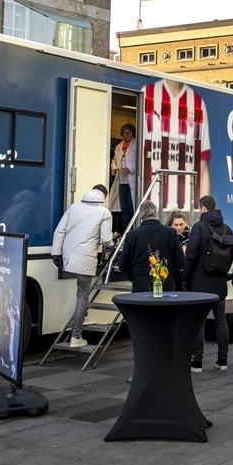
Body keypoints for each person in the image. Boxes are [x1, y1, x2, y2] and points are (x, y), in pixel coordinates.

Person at [51, 185, 114, 348]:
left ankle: (83, 315)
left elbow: (60, 231)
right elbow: (106, 239)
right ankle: (76, 336)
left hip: (68, 257)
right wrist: (112, 245)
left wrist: (55, 253)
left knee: (80, 292)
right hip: (85, 259)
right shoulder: (104, 212)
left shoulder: (74, 207)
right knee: (83, 295)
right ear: (104, 196)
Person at [183, 195, 233, 372]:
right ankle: (222, 361)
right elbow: (231, 256)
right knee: (221, 320)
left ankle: (197, 362)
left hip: (199, 282)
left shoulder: (199, 227)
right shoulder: (227, 228)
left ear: (203, 209)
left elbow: (191, 255)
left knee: (198, 322)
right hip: (219, 282)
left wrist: (186, 278)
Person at [140, 78, 210, 210]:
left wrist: (203, 210)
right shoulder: (147, 92)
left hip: (187, 204)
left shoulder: (197, 101)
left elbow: (203, 167)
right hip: (152, 200)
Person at [118, 200, 184, 293]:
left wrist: (136, 277)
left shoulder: (131, 235)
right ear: (156, 212)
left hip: (140, 285)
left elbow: (123, 264)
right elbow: (180, 261)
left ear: (141, 215)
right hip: (166, 285)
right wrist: (170, 275)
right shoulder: (170, 232)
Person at [109, 123, 137, 228]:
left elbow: (139, 160)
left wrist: (130, 168)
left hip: (131, 180)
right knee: (124, 206)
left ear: (133, 133)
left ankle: (133, 227)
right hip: (121, 181)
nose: (127, 135)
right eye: (125, 133)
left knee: (131, 205)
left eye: (129, 133)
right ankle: (126, 229)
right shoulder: (119, 146)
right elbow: (114, 160)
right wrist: (114, 168)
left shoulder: (136, 145)